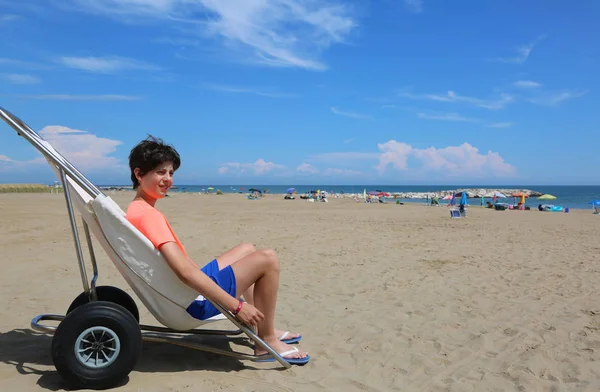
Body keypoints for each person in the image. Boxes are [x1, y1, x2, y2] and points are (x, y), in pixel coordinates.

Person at [125, 136, 309, 364]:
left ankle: (263, 328)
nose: (168, 179)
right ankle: (267, 341)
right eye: (160, 172)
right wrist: (237, 305)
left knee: (247, 249)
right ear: (139, 174)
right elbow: (184, 271)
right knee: (268, 259)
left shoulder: (137, 209)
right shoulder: (148, 216)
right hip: (190, 304)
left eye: (171, 173)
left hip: (181, 292)